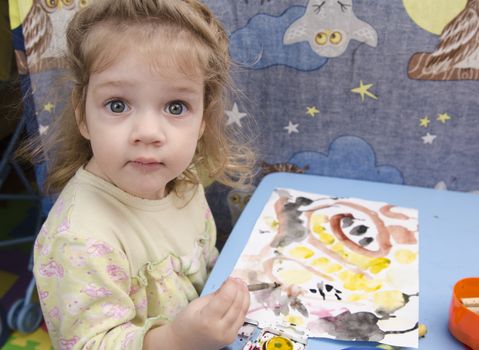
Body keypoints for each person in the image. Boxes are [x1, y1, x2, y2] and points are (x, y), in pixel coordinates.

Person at [31, 0, 256, 348]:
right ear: (82, 115)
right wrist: (179, 339)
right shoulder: (79, 240)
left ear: (203, 121)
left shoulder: (185, 181)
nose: (148, 132)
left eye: (176, 107)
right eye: (117, 104)